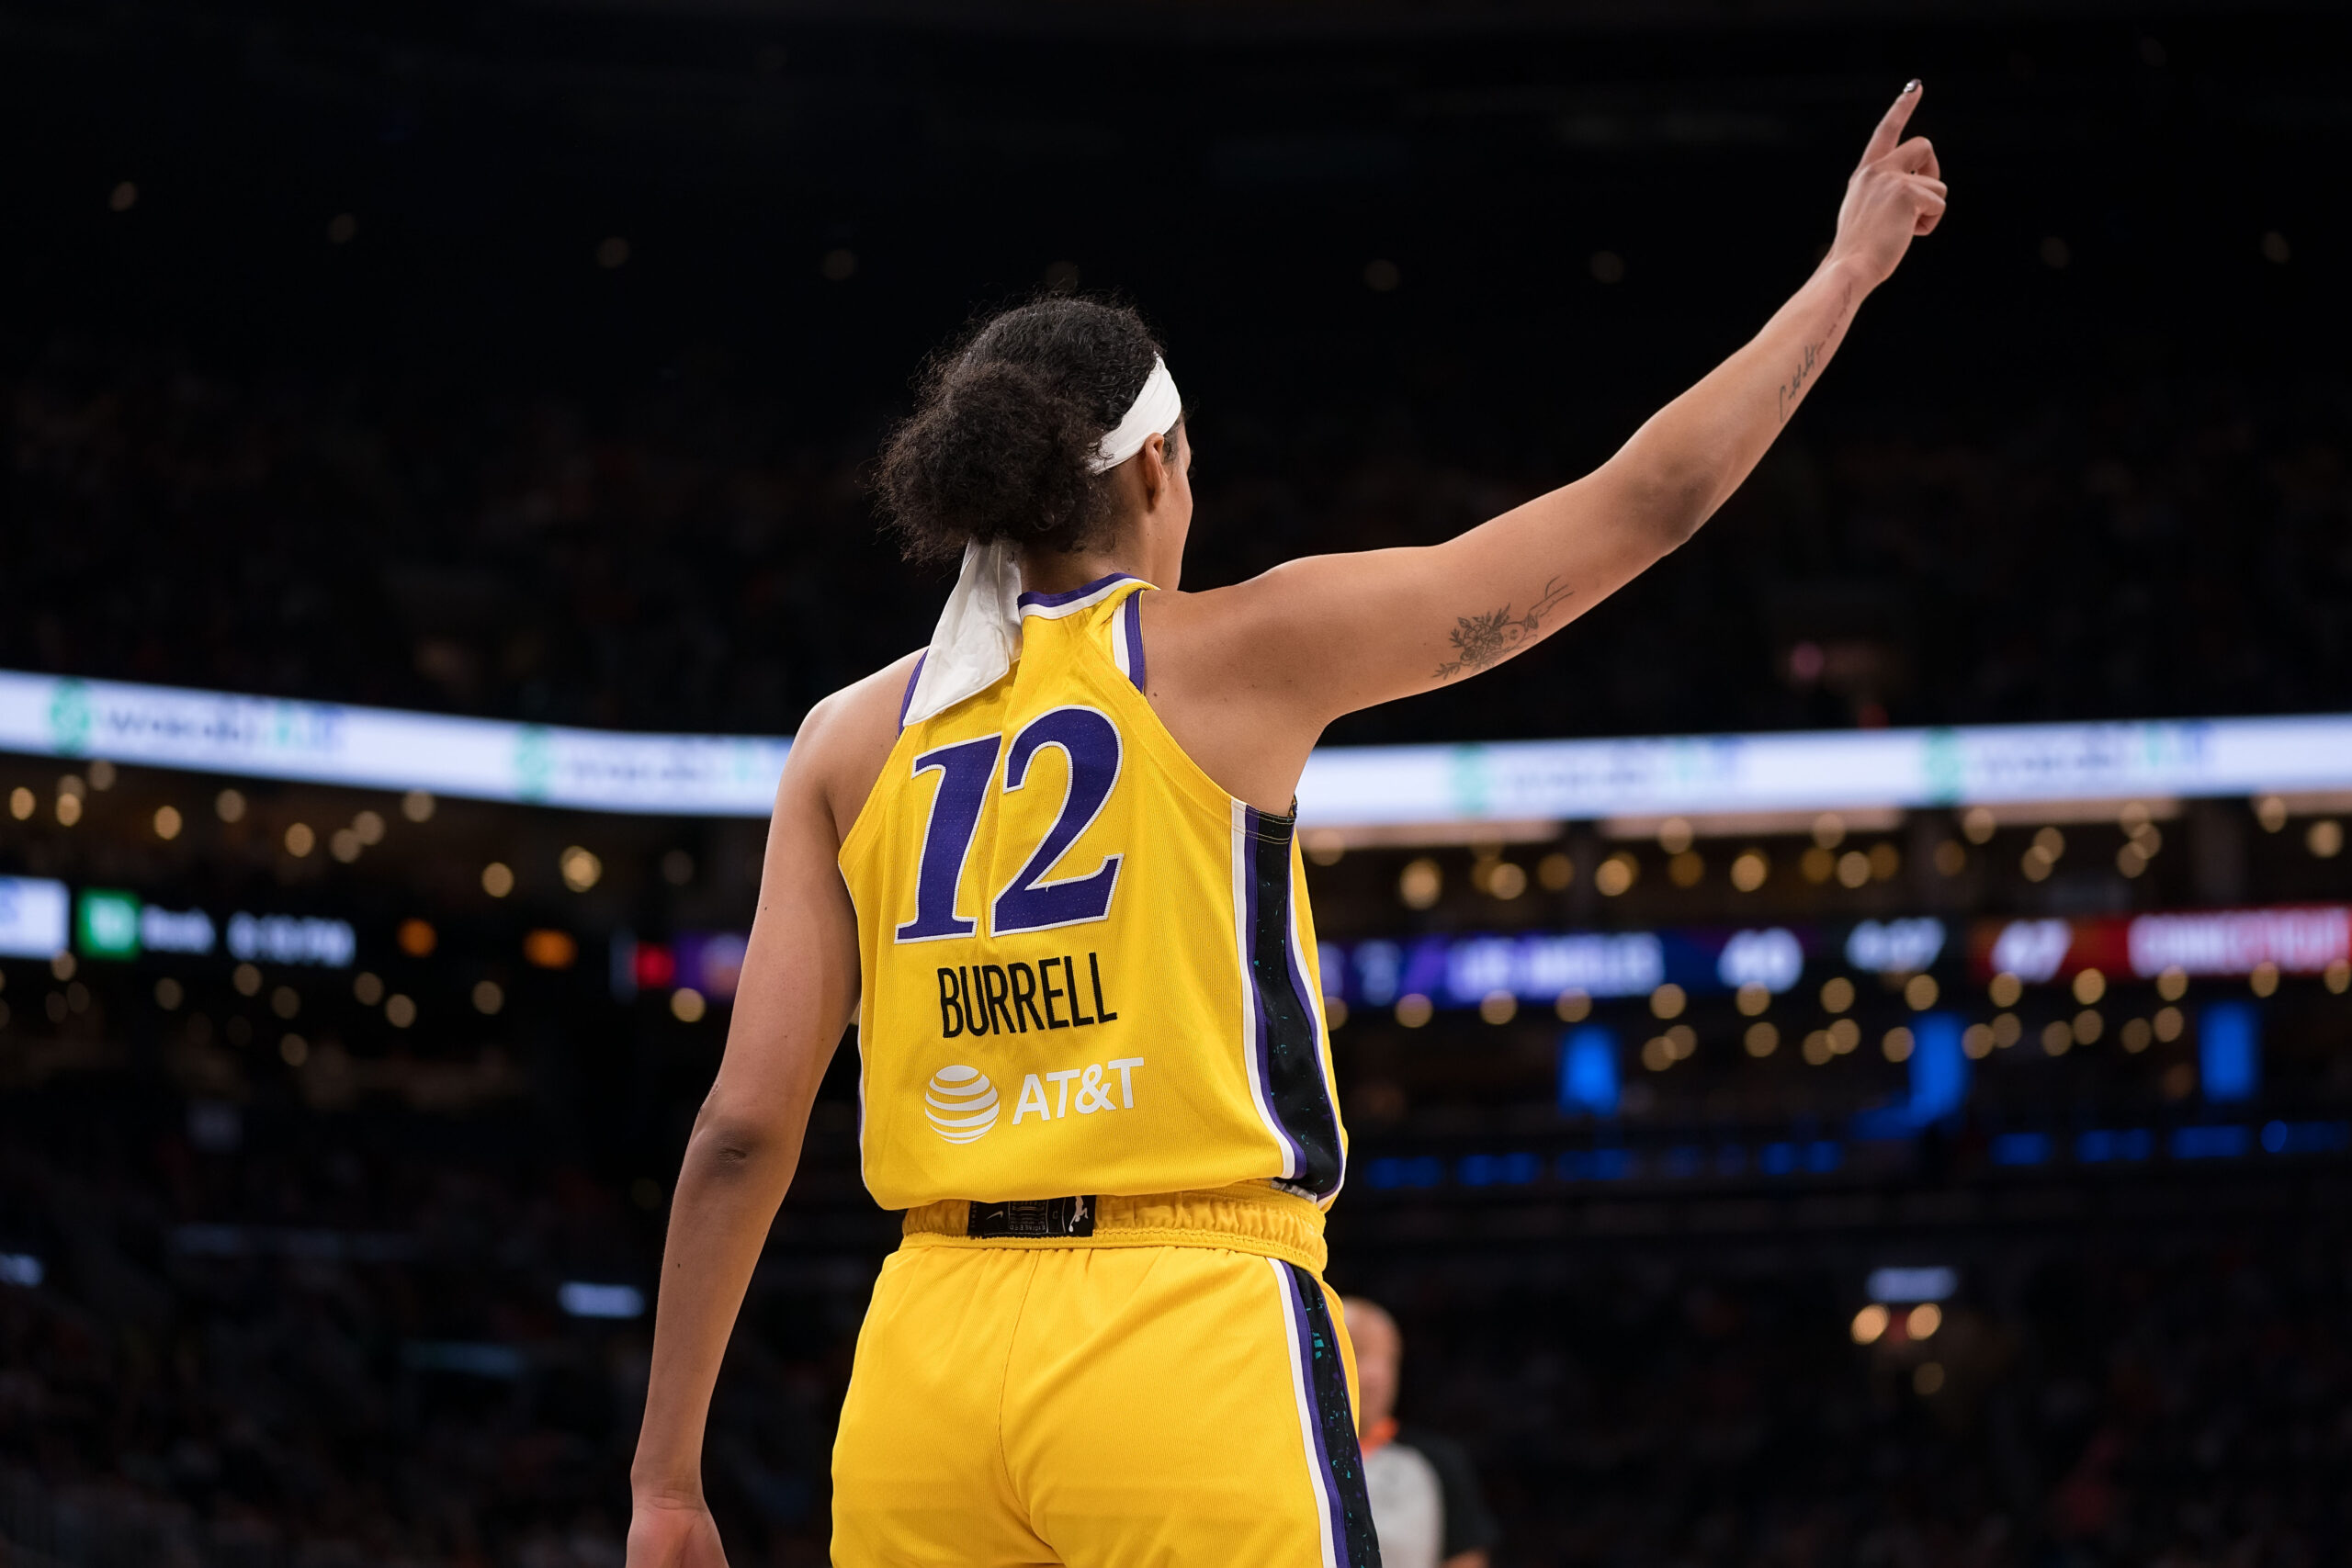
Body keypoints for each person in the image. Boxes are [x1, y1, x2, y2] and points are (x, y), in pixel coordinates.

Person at [625, 82, 1946, 1568]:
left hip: (925, 1350)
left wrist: (667, 1479)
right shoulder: (1239, 652)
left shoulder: (847, 739)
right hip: (1178, 1322)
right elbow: (1645, 503)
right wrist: (1844, 274)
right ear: (1151, 469)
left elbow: (743, 1128)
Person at [1341, 1299, 1498, 1568]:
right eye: (1359, 1351)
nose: (1376, 1374)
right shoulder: (1285, 1457)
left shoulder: (1438, 1462)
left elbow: (1465, 1557)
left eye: (1388, 1357)